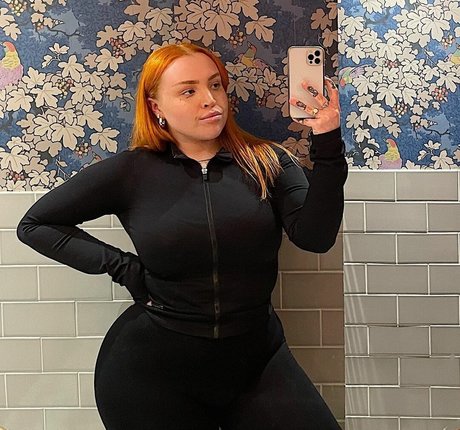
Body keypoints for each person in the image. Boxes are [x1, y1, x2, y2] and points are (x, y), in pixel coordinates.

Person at [16, 42, 346, 430]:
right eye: (188, 91)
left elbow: (316, 237)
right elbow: (35, 225)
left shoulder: (267, 162)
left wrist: (327, 142)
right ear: (156, 107)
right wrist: (124, 269)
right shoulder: (131, 172)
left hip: (257, 363)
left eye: (215, 85)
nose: (210, 99)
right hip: (152, 374)